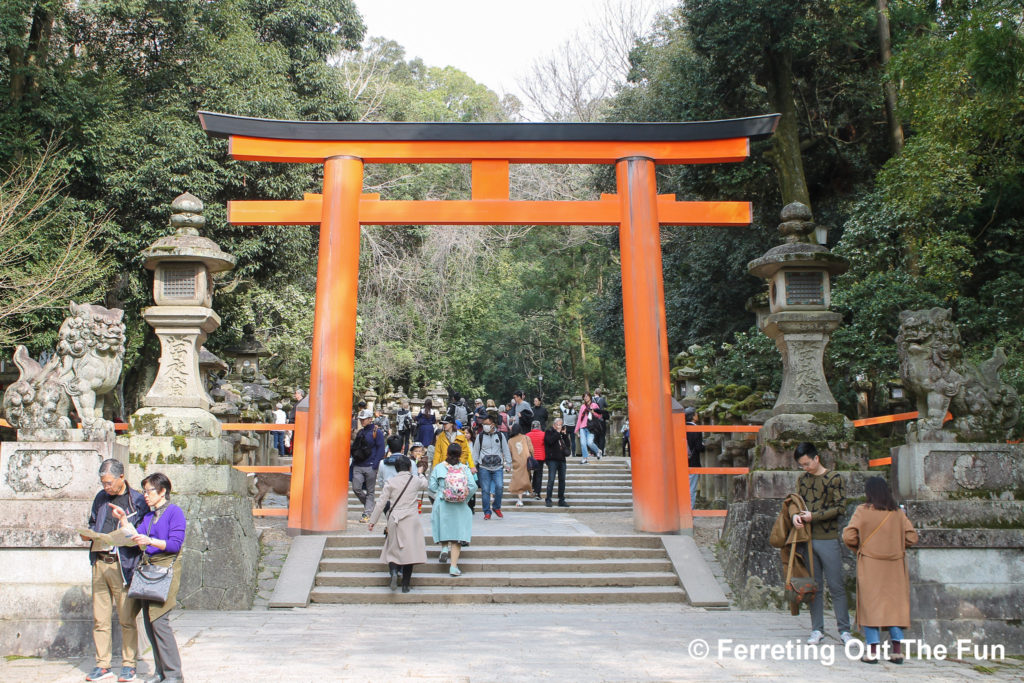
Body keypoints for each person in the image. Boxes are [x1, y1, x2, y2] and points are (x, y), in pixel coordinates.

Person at [116, 472, 186, 683]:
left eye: (150, 491)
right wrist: (122, 521)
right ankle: (160, 671)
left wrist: (151, 541)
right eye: (144, 491)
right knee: (149, 621)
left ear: (163, 491)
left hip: (165, 569)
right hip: (148, 570)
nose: (146, 495)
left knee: (160, 621)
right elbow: (136, 537)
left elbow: (175, 543)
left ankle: (174, 673)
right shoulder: (148, 516)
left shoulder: (174, 512)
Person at [842, 477, 918, 664]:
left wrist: (862, 548)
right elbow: (912, 537)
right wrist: (895, 546)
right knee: (894, 608)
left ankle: (872, 651)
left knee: (871, 607)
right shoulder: (897, 513)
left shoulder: (863, 511)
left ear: (869, 492)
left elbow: (848, 536)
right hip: (894, 565)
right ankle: (897, 651)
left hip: (870, 564)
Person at [83, 459, 146, 683]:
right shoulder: (101, 498)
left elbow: (142, 531)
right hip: (100, 560)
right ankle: (102, 664)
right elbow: (93, 521)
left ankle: (129, 664)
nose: (106, 487)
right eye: (103, 483)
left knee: (126, 617)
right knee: (100, 618)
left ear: (121, 477)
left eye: (109, 483)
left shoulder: (136, 499)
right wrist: (89, 533)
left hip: (122, 563)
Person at [793, 442, 852, 645]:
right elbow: (795, 503)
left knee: (836, 585)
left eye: (807, 463)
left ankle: (844, 629)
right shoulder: (802, 480)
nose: (805, 468)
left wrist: (814, 516)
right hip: (807, 538)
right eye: (802, 465)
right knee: (813, 587)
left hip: (827, 537)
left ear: (816, 458)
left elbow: (839, 507)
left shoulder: (835, 479)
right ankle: (816, 628)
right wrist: (795, 516)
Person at [368, 455, 428, 593]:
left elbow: (381, 503)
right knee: (410, 551)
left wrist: (373, 521)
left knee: (393, 549)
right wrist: (420, 473)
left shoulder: (391, 482)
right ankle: (406, 585)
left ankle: (394, 572)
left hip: (395, 518)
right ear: (409, 467)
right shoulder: (415, 480)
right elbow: (425, 484)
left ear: (396, 469)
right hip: (411, 518)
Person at [429, 443, 478, 576]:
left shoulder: (439, 468)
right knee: (457, 536)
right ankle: (453, 567)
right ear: (460, 454)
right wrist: (464, 497)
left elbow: (432, 486)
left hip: (442, 502)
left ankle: (444, 548)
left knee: (444, 527)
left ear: (447, 453)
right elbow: (473, 486)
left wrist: (442, 492)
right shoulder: (464, 468)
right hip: (460, 505)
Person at [471, 414, 512, 520]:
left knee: (499, 486)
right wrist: (473, 466)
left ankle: (496, 507)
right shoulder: (480, 437)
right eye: (483, 424)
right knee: (485, 490)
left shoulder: (500, 436)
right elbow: (475, 452)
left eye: (487, 424)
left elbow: (506, 449)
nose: (485, 426)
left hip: (498, 466)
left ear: (493, 425)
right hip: (484, 467)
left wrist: (508, 463)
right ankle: (487, 511)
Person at [352, 408, 386, 523]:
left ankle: (367, 513)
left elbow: (381, 449)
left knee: (370, 491)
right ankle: (370, 505)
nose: (362, 421)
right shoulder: (360, 432)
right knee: (356, 488)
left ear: (370, 419)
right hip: (358, 464)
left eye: (364, 419)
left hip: (371, 465)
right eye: (360, 419)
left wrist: (375, 464)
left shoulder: (377, 432)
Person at [543, 417, 571, 507]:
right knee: (551, 480)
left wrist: (565, 435)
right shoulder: (549, 432)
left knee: (562, 480)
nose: (560, 426)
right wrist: (558, 433)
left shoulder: (562, 434)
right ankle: (548, 499)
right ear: (554, 425)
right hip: (552, 459)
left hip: (562, 459)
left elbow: (568, 445)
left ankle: (561, 499)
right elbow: (550, 441)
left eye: (561, 424)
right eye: (558, 424)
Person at [507, 424, 534, 507]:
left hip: (516, 462)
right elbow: (531, 450)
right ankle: (526, 490)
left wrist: (508, 464)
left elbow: (509, 453)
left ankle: (520, 500)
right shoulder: (526, 438)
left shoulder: (510, 441)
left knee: (518, 481)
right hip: (526, 461)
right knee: (526, 477)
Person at [685, 407, 704, 508]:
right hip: (693, 461)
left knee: (683, 488)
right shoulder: (696, 428)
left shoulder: (680, 427)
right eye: (696, 414)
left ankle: (682, 510)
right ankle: (689, 511)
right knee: (691, 488)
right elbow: (699, 447)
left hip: (681, 462)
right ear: (692, 416)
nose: (697, 415)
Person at [575, 392, 602, 463]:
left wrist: (593, 412)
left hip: (591, 427)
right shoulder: (582, 406)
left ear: (590, 397)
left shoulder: (595, 405)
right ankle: (585, 458)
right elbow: (579, 418)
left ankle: (598, 450)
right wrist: (576, 430)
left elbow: (599, 416)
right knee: (583, 443)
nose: (586, 397)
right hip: (582, 427)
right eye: (584, 396)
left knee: (589, 443)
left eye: (587, 396)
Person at [526, 420, 547, 499]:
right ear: (539, 426)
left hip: (530, 457)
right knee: (539, 474)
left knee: (528, 473)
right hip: (540, 457)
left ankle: (529, 489)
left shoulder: (527, 435)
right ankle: (537, 493)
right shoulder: (543, 434)